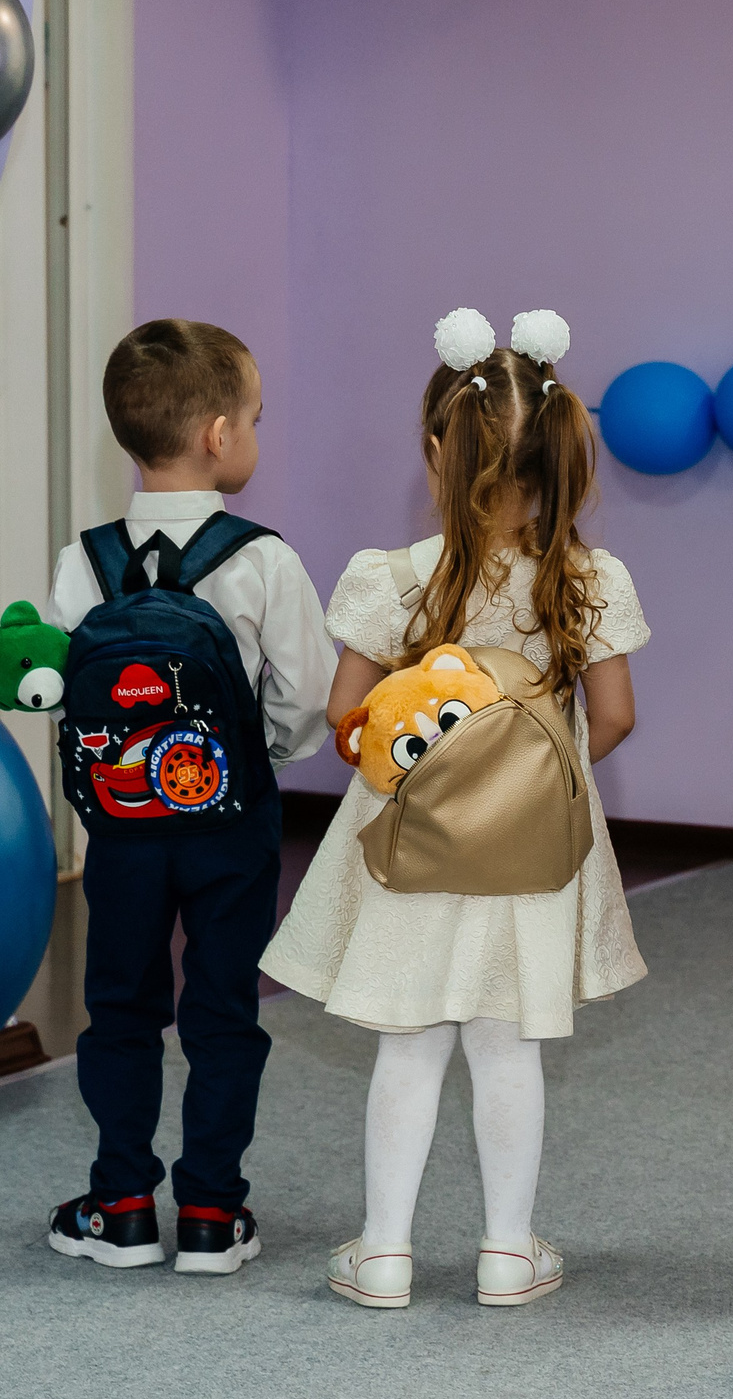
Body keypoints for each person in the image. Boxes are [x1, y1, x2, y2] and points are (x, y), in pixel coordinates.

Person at [261, 308, 648, 1310]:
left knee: (409, 1042)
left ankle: (385, 1254)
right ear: (559, 458)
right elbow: (613, 717)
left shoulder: (392, 580)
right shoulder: (589, 581)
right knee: (508, 1045)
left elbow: (346, 716)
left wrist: (437, 765)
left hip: (413, 853)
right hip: (532, 858)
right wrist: (530, 781)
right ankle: (508, 1253)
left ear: (437, 451)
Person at [43, 319, 336, 1275]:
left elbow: (65, 689)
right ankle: (212, 1211)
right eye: (254, 417)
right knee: (221, 1008)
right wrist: (260, 758)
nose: (254, 433)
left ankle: (121, 1204)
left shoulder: (84, 559)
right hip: (231, 828)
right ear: (218, 435)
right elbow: (309, 696)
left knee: (121, 1005)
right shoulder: (263, 559)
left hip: (122, 830)